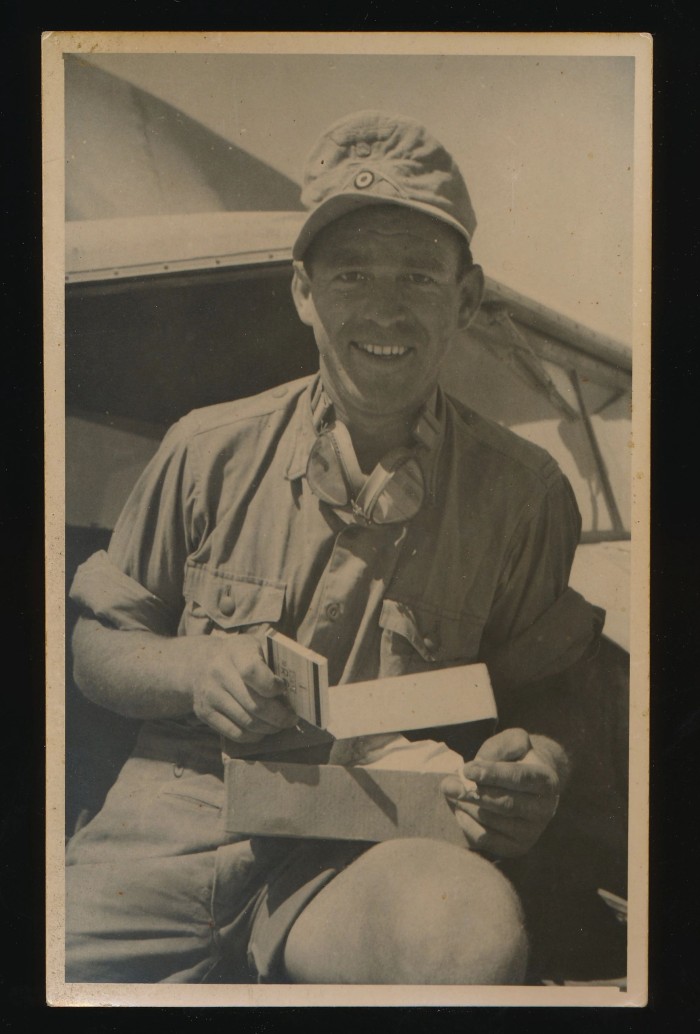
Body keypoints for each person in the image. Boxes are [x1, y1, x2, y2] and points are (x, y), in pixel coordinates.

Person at [66, 110, 603, 985]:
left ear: (464, 300)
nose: (384, 309)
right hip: (173, 819)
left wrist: (539, 762)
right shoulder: (205, 448)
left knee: (467, 934)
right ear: (304, 292)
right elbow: (94, 648)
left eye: (419, 277)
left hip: (372, 836)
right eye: (350, 273)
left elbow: (558, 692)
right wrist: (195, 670)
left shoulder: (527, 493)